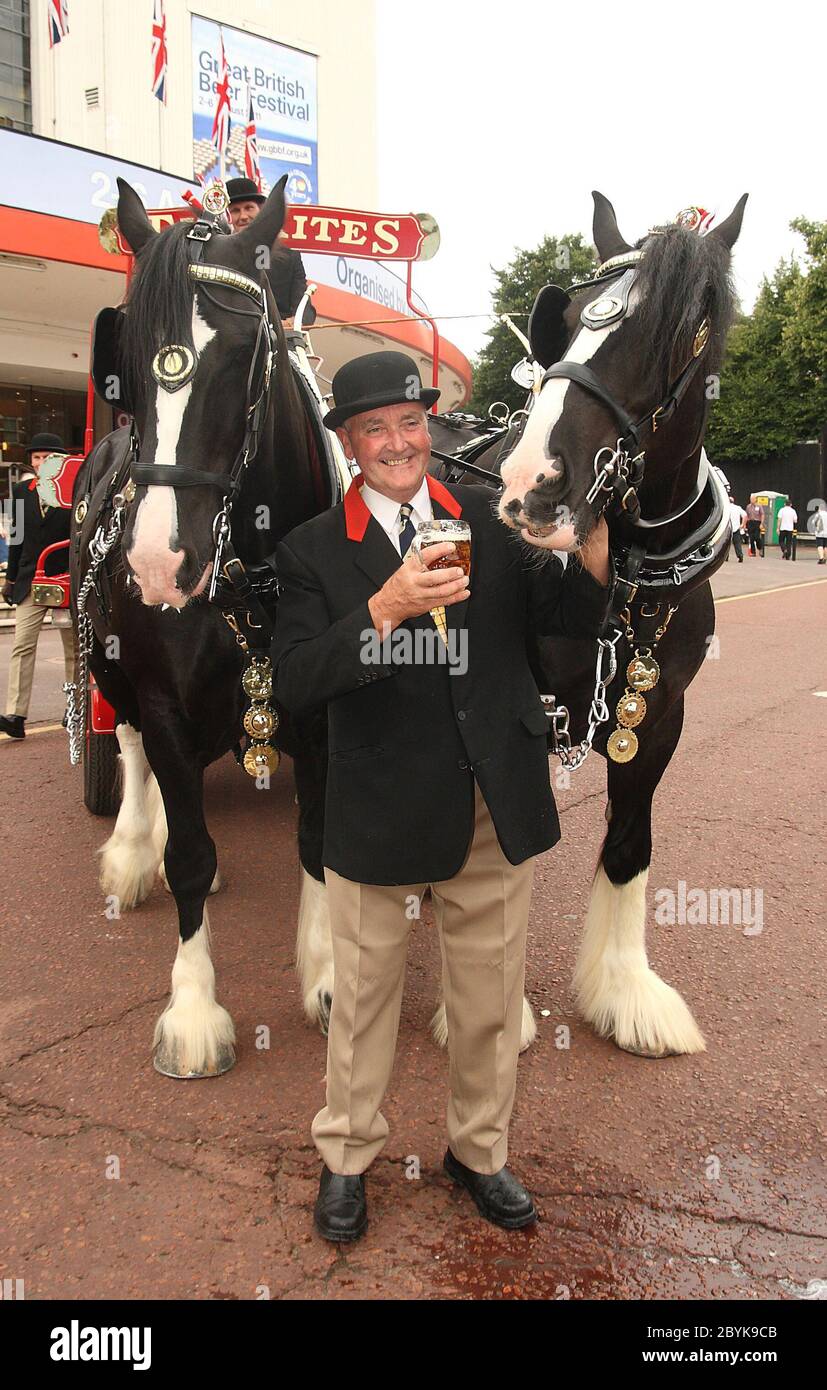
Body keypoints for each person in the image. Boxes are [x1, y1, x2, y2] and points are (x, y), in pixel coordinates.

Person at [271, 351, 611, 1242]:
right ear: (349, 445)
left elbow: (567, 619)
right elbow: (296, 681)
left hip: (491, 803)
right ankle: (347, 1158)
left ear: (429, 427)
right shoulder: (310, 550)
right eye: (374, 428)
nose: (397, 442)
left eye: (409, 422)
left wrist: (595, 541)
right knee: (365, 998)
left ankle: (479, 1153)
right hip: (376, 807)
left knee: (491, 999)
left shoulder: (493, 526)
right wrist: (380, 609)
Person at [0, 434, 75, 740]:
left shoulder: (73, 489)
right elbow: (15, 537)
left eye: (47, 457)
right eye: (36, 458)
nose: (41, 463)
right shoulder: (19, 492)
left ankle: (73, 710)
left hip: (64, 580)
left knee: (74, 651)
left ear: (60, 460)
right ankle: (15, 715)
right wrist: (11, 577)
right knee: (22, 646)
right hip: (31, 579)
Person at [225, 176, 316, 328]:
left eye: (249, 208)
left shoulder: (290, 258)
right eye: (235, 210)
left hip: (279, 342)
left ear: (261, 211)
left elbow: (304, 311)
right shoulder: (216, 256)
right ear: (227, 217)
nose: (243, 216)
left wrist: (286, 325)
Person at [728, 495, 745, 562]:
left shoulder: (726, 507)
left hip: (728, 528)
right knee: (737, 543)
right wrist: (743, 524)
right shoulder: (738, 508)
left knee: (727, 543)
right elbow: (745, 515)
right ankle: (740, 556)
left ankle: (726, 556)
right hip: (736, 528)